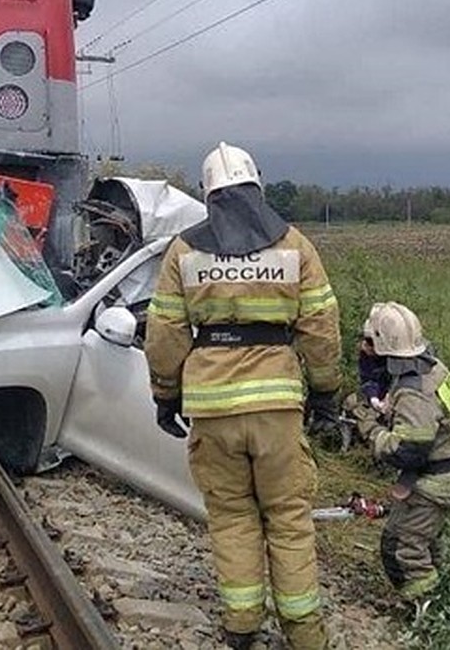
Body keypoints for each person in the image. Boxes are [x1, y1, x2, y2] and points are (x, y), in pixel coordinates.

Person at [143, 142, 341, 650]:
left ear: (208, 194)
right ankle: (305, 634)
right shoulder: (294, 244)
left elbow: (164, 333)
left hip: (211, 407)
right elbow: (321, 326)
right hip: (277, 407)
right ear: (258, 186)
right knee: (289, 520)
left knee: (232, 519)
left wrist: (166, 395)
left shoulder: (184, 252)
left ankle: (242, 627)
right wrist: (325, 395)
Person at [342, 301, 450, 607]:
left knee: (401, 551)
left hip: (431, 483)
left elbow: (407, 451)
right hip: (449, 470)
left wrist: (370, 429)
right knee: (430, 545)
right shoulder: (434, 368)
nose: (364, 348)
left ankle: (432, 615)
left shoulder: (412, 391)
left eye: (370, 342)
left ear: (385, 344)